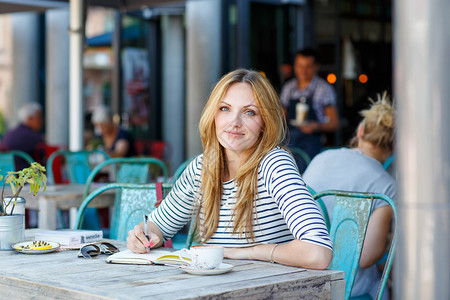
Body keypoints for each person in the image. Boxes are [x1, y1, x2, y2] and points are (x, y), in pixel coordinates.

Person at [127, 69, 332, 269]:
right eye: (225, 109)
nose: (234, 122)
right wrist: (143, 235)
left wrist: (248, 252)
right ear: (213, 115)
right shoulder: (201, 168)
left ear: (264, 123)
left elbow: (318, 252)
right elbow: (157, 227)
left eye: (249, 112)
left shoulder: (273, 164)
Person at [303, 92, 396, 299]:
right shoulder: (386, 185)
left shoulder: (322, 157)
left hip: (303, 278)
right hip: (348, 288)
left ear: (360, 131)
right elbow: (366, 258)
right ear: (393, 147)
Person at [279, 48, 340, 172]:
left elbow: (335, 123)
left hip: (312, 142)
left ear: (316, 67)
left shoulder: (324, 89)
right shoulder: (289, 87)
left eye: (308, 67)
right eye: (299, 66)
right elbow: (281, 115)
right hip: (289, 140)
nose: (303, 71)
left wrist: (315, 126)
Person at [1, 102, 44, 170]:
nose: (42, 121)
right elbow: (47, 156)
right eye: (39, 117)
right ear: (30, 119)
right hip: (26, 176)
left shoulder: (10, 133)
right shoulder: (33, 136)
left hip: (8, 176)